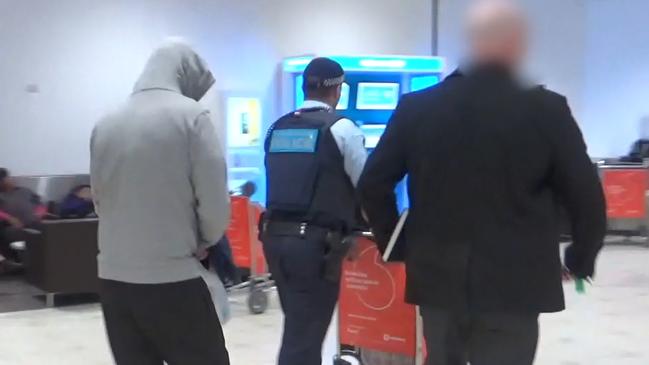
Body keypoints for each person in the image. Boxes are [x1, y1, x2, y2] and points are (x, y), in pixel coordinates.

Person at [357, 1, 607, 365]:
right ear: (516, 45)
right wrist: (580, 258)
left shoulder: (418, 108)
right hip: (516, 283)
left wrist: (397, 244)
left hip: (438, 278)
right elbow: (586, 196)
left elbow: (373, 185)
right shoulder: (547, 110)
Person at [90, 41, 231, 365]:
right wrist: (204, 240)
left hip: (114, 278)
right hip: (172, 277)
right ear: (184, 74)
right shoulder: (192, 117)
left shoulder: (107, 121)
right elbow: (213, 201)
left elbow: (99, 199)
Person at [261, 57, 367, 365]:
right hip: (316, 247)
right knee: (304, 337)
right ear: (337, 91)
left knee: (298, 326)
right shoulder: (342, 129)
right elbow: (368, 186)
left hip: (275, 241)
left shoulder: (277, 128)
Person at [0, 168, 44, 272]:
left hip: (36, 223)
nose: (8, 180)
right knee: (11, 233)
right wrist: (9, 218)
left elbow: (40, 205)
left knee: (48, 231)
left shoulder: (25, 191)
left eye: (7, 178)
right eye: (4, 179)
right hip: (12, 228)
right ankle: (11, 264)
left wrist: (39, 213)